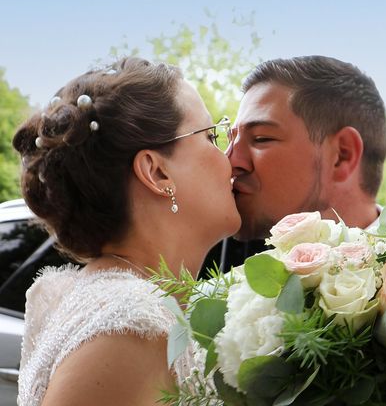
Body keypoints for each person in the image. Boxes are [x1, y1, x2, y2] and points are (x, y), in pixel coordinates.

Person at [13, 57, 241, 406]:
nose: (230, 156)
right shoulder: (128, 327)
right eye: (210, 136)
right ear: (157, 172)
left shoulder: (130, 302)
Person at [210, 55, 386, 272]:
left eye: (261, 138)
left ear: (342, 155)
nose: (229, 161)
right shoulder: (216, 255)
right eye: (230, 139)